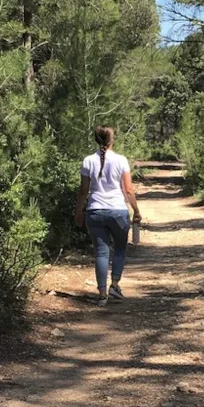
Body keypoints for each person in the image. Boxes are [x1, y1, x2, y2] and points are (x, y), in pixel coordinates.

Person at [74, 126, 142, 307]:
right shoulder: (121, 160)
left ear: (97, 140)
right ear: (112, 140)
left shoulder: (88, 160)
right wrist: (136, 210)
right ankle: (115, 284)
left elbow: (83, 190)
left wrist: (79, 211)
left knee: (101, 253)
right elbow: (128, 190)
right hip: (118, 211)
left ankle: (102, 294)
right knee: (120, 248)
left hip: (95, 211)